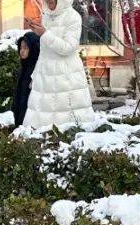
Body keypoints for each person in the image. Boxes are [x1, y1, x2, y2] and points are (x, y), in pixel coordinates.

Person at [23, 0, 95, 129]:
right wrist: (35, 29)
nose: (49, 3)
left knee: (67, 123)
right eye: (47, 1)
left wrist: (44, 33)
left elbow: (68, 47)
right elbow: (46, 47)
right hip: (45, 75)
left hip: (66, 76)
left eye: (52, 1)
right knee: (38, 123)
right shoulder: (46, 15)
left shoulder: (73, 17)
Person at [12, 32, 39, 127]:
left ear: (33, 49)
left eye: (26, 48)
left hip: (29, 122)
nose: (22, 51)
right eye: (21, 47)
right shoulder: (24, 67)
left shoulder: (36, 69)